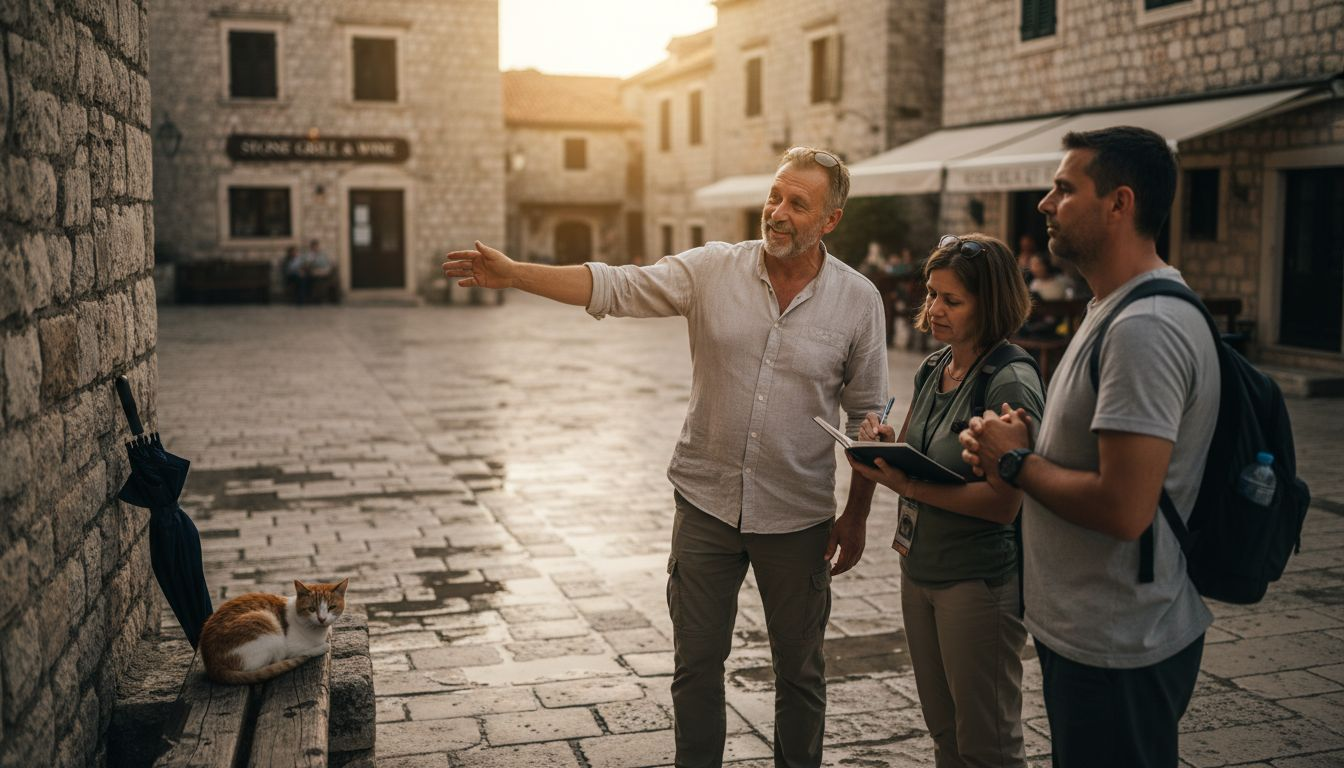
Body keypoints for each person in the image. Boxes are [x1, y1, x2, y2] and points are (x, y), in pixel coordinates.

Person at [443, 147, 888, 768]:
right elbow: (617, 285)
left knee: (800, 675)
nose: (777, 212)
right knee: (696, 669)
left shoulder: (858, 300)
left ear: (830, 221)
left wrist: (857, 515)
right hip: (705, 507)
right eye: (774, 196)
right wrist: (517, 273)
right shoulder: (713, 270)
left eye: (797, 204)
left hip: (798, 518)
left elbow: (869, 422)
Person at [958, 126, 1219, 768]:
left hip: (1118, 642)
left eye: (1063, 188)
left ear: (1120, 204)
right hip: (1092, 632)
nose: (1045, 203)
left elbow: (1124, 507)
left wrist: (1014, 462)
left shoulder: (1146, 328)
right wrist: (1024, 437)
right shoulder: (1111, 306)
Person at [848, 233, 1042, 768]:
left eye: (951, 300)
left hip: (977, 582)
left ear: (991, 304)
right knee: (943, 732)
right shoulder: (937, 366)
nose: (932, 309)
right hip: (921, 569)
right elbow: (916, 448)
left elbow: (1006, 504)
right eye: (931, 294)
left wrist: (909, 487)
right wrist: (885, 447)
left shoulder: (1010, 381)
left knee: (988, 744)